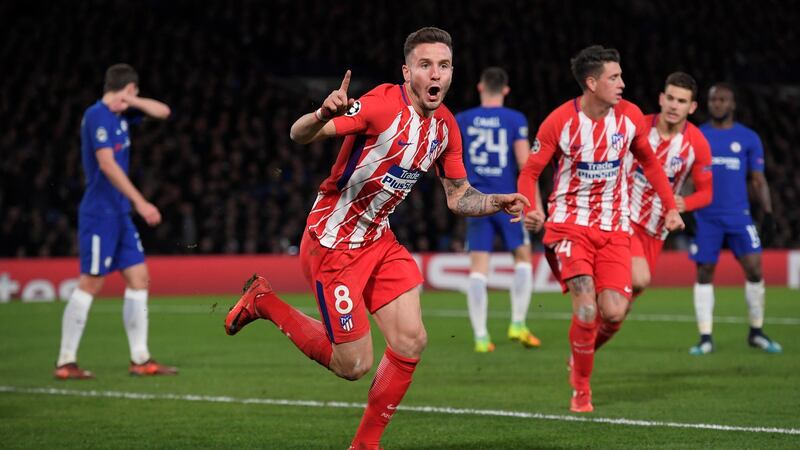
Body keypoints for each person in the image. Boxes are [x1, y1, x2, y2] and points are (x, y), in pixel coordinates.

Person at [224, 27, 528, 449]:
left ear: (452, 71)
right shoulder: (381, 105)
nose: (435, 73)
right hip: (333, 243)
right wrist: (322, 114)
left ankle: (364, 445)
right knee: (354, 365)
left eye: (443, 65)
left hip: (379, 240)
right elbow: (298, 135)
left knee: (411, 339)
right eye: (425, 65)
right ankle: (263, 300)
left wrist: (497, 200)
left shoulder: (445, 128)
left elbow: (458, 197)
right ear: (407, 72)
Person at [518, 45, 684, 413]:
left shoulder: (630, 118)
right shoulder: (560, 121)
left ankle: (578, 358)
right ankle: (581, 388)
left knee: (614, 312)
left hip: (614, 229)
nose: (623, 83)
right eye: (614, 77)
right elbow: (530, 171)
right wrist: (532, 207)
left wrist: (671, 208)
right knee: (587, 309)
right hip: (568, 226)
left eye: (621, 76)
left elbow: (651, 165)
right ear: (591, 83)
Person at [55, 63, 177, 379]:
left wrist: (132, 102)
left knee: (139, 278)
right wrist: (141, 202)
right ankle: (66, 362)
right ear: (129, 87)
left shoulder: (123, 115)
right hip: (99, 213)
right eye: (133, 92)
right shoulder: (97, 115)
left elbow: (163, 112)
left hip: (119, 214)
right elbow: (107, 165)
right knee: (92, 281)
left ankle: (140, 359)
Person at [593, 72, 714, 351]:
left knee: (619, 311)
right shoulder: (637, 125)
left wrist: (685, 204)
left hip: (657, 230)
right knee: (641, 278)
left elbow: (707, 193)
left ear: (692, 107)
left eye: (681, 101)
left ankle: (584, 352)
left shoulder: (697, 143)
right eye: (670, 98)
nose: (674, 105)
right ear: (661, 98)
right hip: (622, 215)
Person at [688, 83, 782, 355]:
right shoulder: (697, 135)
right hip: (706, 216)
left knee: (755, 269)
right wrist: (684, 209)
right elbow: (687, 176)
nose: (717, 103)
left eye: (723, 100)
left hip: (739, 216)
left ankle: (756, 331)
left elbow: (757, 178)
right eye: (713, 99)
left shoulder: (749, 138)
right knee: (704, 271)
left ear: (733, 104)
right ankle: (705, 337)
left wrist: (767, 213)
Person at [456, 67, 542, 353]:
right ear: (505, 90)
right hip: (510, 201)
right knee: (523, 258)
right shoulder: (514, 119)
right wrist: (534, 204)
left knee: (478, 270)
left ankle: (481, 336)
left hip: (478, 203)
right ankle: (517, 323)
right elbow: (523, 164)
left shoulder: (463, 120)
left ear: (481, 87)